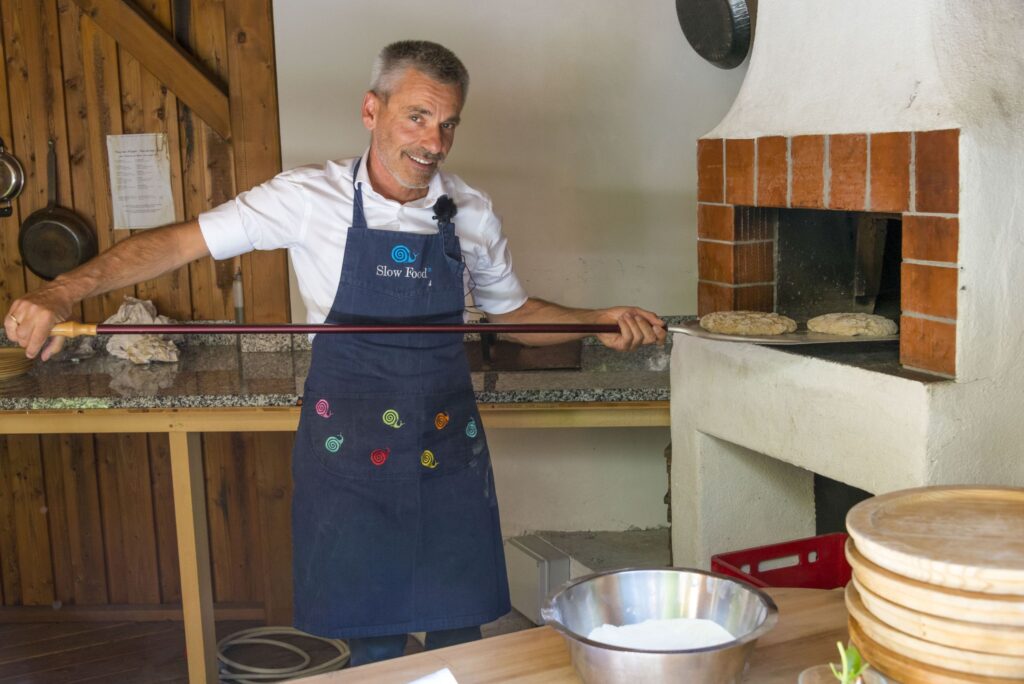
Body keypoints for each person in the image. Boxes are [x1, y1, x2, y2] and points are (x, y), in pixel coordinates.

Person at [4, 40, 665, 665]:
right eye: (417, 117)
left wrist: (593, 320)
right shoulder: (307, 198)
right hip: (351, 457)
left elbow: (513, 315)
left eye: (448, 124)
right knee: (372, 642)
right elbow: (179, 244)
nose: (433, 141)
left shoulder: (471, 212)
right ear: (371, 110)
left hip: (446, 453)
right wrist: (63, 292)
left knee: (459, 638)